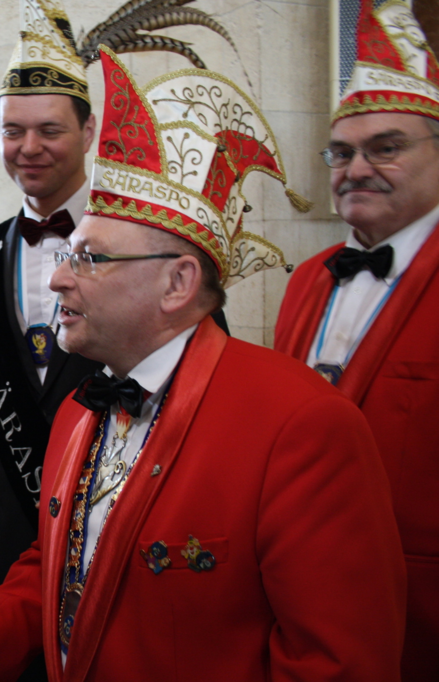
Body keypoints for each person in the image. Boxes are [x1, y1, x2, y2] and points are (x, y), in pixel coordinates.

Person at [0, 46, 407, 681]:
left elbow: (339, 662)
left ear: (178, 283)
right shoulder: (81, 411)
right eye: (69, 256)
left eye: (90, 259)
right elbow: (61, 559)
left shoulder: (301, 427)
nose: (58, 281)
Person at [274, 2, 439, 678]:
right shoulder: (306, 279)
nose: (357, 168)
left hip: (420, 618)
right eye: (341, 153)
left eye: (386, 148)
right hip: (298, 605)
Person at [0, 4, 102, 666]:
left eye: (49, 130)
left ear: (88, 131)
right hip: (8, 533)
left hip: (108, 516)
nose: (28, 148)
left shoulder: (138, 247)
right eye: (12, 131)